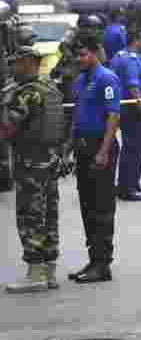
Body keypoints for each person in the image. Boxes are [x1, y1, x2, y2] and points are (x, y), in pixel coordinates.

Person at [1, 47, 64, 293]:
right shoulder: (50, 89)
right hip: (50, 162)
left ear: (27, 63)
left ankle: (35, 274)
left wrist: (5, 103)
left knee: (30, 217)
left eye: (15, 63)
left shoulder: (26, 93)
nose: (12, 68)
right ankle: (49, 272)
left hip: (30, 165)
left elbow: (7, 128)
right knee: (49, 215)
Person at [69, 33, 121, 283]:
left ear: (95, 52)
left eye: (84, 54)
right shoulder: (80, 81)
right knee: (87, 206)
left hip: (100, 146)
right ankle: (93, 259)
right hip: (82, 147)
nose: (80, 59)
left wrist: (103, 151)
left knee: (102, 206)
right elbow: (77, 115)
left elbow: (113, 116)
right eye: (77, 55)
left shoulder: (106, 78)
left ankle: (102, 264)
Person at [111, 31, 141, 202]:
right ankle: (127, 188)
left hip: (128, 107)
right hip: (133, 108)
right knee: (133, 148)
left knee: (133, 147)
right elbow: (133, 88)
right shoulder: (130, 60)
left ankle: (133, 183)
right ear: (136, 41)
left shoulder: (120, 56)